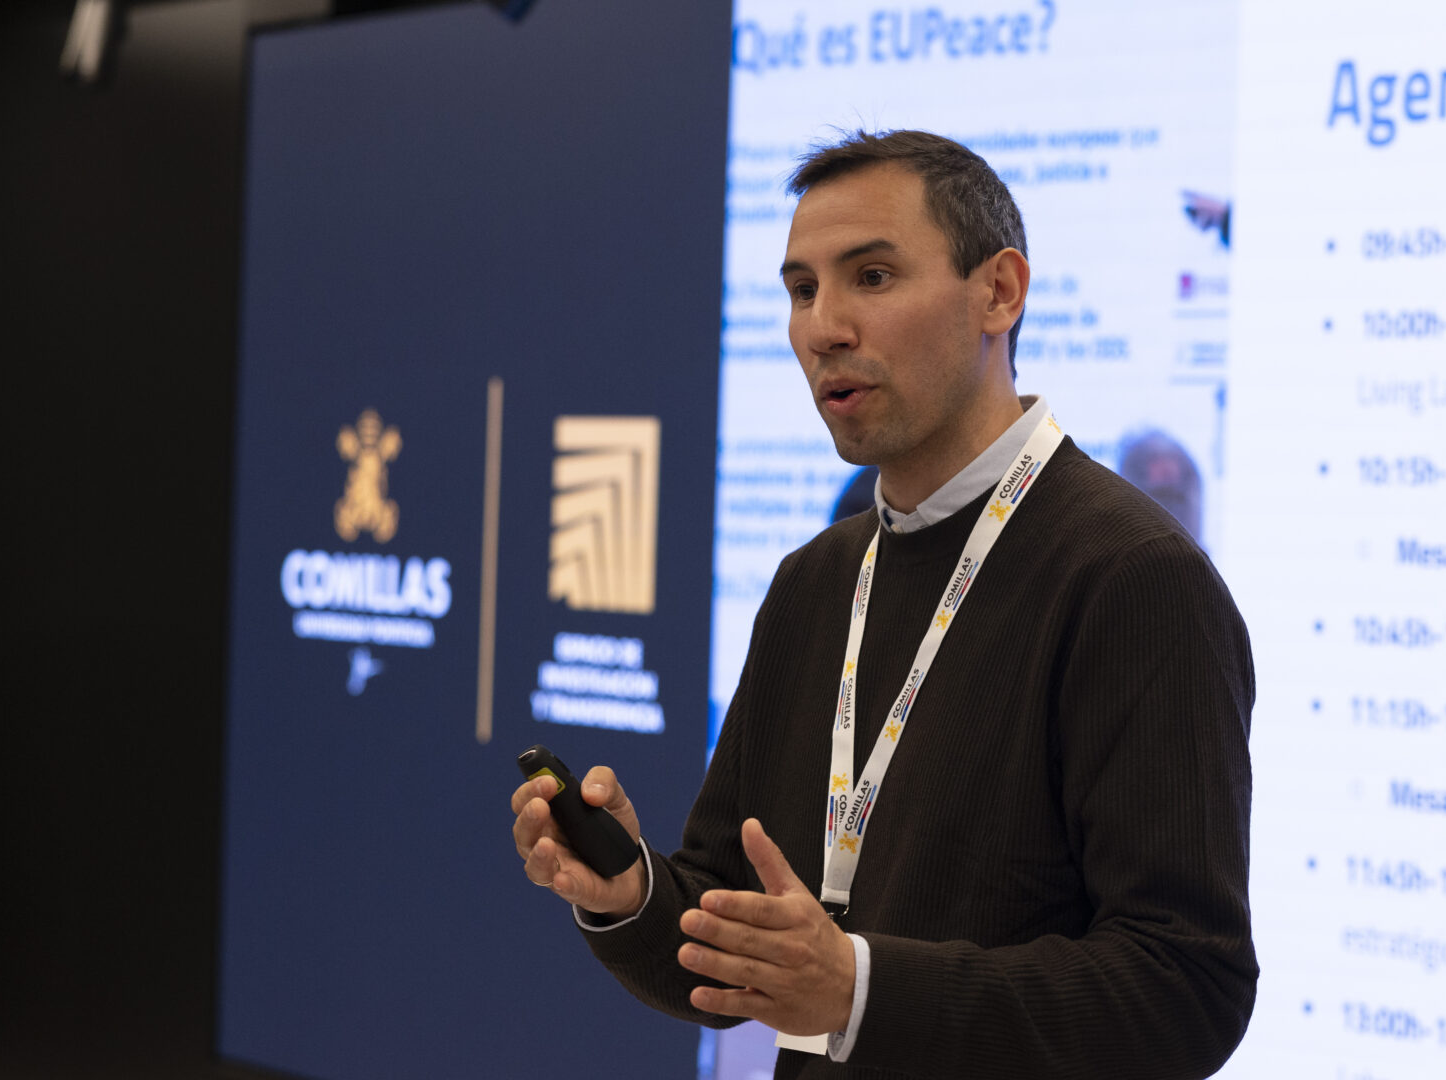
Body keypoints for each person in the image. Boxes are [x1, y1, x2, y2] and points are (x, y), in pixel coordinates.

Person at [511, 129, 1256, 1079]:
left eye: (870, 276)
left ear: (999, 292)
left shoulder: (1133, 580)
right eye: (801, 289)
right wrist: (629, 894)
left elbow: (1185, 988)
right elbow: (730, 927)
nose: (823, 326)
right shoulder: (813, 581)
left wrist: (858, 988)